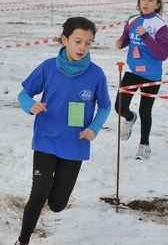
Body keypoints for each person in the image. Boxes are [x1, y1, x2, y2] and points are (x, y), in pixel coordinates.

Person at [14, 17, 111, 245]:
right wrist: (31, 105)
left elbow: (105, 106)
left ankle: (52, 186)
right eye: (78, 41)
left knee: (57, 205)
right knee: (38, 195)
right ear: (65, 39)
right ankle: (22, 241)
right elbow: (23, 94)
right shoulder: (48, 67)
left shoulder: (96, 74)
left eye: (88, 43)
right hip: (46, 139)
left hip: (74, 144)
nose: (82, 47)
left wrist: (94, 127)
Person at [114, 0, 168, 160]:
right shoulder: (131, 20)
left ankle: (144, 145)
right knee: (119, 106)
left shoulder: (160, 26)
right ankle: (130, 117)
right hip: (132, 71)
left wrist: (146, 36)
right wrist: (121, 42)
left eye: (151, 0)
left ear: (158, 5)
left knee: (146, 111)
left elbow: (163, 54)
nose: (146, 3)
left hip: (151, 75)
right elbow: (126, 37)